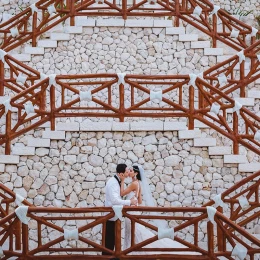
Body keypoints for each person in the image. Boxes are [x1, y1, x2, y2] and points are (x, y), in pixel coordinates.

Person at [120, 164, 199, 255]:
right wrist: (132, 200)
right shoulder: (138, 183)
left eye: (131, 171)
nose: (129, 172)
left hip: (131, 213)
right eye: (129, 170)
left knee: (134, 232)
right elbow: (140, 201)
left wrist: (122, 181)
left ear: (136, 173)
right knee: (135, 232)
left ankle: (132, 252)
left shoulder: (133, 184)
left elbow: (122, 193)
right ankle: (133, 251)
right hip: (133, 211)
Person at [103, 163, 137, 256]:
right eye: (126, 172)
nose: (128, 173)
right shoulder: (113, 183)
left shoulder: (116, 181)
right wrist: (129, 202)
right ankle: (107, 257)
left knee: (112, 241)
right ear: (121, 174)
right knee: (109, 242)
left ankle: (112, 256)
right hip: (110, 216)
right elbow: (115, 201)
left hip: (114, 215)